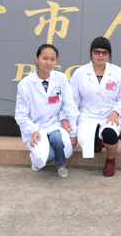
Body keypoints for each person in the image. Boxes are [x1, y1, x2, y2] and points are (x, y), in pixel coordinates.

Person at [14, 44, 79, 178]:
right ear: (36, 58)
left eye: (52, 59)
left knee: (58, 139)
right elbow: (21, 115)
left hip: (55, 123)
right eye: (45, 58)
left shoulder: (61, 78)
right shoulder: (25, 84)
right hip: (36, 126)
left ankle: (61, 165)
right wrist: (32, 130)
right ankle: (41, 158)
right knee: (45, 157)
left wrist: (72, 132)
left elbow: (69, 106)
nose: (49, 63)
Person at [69, 37, 121, 176]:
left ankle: (110, 159)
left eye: (104, 52)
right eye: (97, 52)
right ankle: (97, 141)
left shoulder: (118, 73)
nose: (100, 55)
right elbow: (72, 100)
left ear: (109, 54)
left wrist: (116, 112)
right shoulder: (80, 73)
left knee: (109, 133)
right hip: (88, 114)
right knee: (88, 140)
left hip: (110, 114)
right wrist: (72, 126)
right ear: (91, 52)